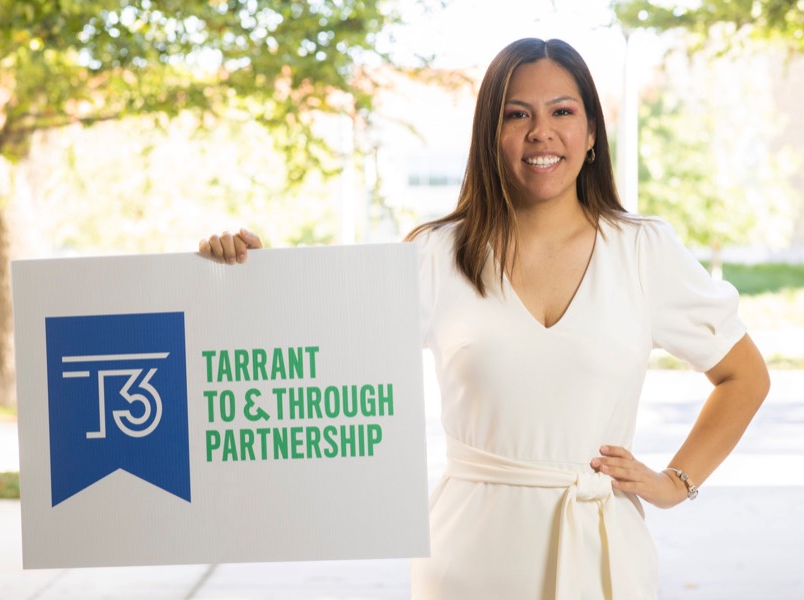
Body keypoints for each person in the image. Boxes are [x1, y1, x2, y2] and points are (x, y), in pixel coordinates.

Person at [200, 37, 769, 600]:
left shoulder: (644, 250)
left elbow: (745, 376)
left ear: (592, 132)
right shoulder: (437, 253)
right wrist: (244, 274)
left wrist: (675, 483)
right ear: (488, 137)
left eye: (562, 112)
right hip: (468, 559)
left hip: (604, 556)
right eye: (516, 114)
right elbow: (317, 349)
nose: (540, 132)